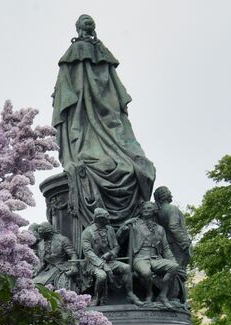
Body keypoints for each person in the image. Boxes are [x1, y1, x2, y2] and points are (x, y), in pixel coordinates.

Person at [51, 14, 156, 226]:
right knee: (124, 161)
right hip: (83, 112)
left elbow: (69, 91)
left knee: (128, 161)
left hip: (96, 115)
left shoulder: (85, 53)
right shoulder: (89, 53)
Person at [119, 200, 181, 307]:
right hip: (140, 258)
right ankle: (149, 293)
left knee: (174, 266)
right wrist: (124, 226)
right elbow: (119, 239)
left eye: (149, 208)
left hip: (156, 258)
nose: (146, 210)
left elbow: (166, 248)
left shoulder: (160, 229)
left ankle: (163, 295)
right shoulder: (134, 224)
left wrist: (173, 260)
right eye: (144, 209)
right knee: (146, 272)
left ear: (154, 211)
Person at [79, 206, 130, 305]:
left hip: (110, 261)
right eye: (107, 217)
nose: (109, 219)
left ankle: (129, 294)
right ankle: (96, 297)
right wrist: (102, 265)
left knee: (127, 268)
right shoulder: (87, 232)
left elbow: (116, 247)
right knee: (102, 276)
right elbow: (88, 253)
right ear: (100, 219)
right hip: (93, 263)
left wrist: (110, 253)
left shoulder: (110, 229)